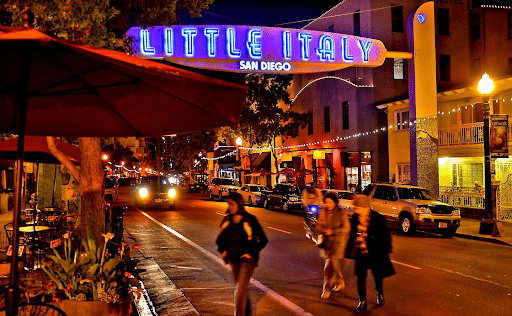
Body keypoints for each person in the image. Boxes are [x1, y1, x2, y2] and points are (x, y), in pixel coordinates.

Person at [216, 192, 268, 316]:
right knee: (242, 290)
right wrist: (223, 251)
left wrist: (251, 253)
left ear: (239, 204)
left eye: (232, 204)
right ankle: (249, 313)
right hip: (233, 260)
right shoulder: (227, 220)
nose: (230, 207)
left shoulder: (250, 220)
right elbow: (219, 239)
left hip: (247, 261)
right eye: (229, 204)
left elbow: (263, 239)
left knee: (239, 292)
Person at [345, 194, 395, 311]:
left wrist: (384, 250)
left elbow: (386, 236)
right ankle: (362, 301)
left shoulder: (378, 218)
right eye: (356, 208)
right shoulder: (355, 219)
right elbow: (352, 236)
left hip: (375, 251)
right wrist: (348, 253)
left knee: (377, 275)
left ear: (367, 207)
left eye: (360, 208)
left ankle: (380, 294)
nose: (357, 211)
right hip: (361, 252)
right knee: (361, 276)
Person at [315, 192, 351, 299]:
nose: (328, 204)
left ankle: (327, 289)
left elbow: (346, 228)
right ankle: (340, 282)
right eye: (326, 202)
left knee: (328, 267)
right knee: (334, 265)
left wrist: (333, 231)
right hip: (327, 243)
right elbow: (318, 226)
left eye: (330, 202)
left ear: (335, 202)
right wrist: (324, 230)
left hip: (338, 243)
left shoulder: (341, 212)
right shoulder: (323, 212)